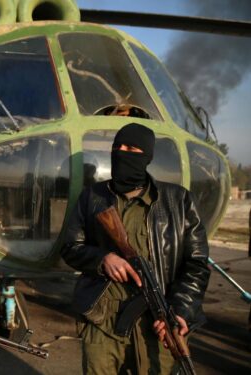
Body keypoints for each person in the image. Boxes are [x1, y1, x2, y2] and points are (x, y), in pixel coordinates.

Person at [60, 123, 209, 374]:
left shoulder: (179, 200)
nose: (121, 152)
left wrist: (182, 309)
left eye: (130, 148)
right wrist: (102, 258)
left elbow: (197, 263)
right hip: (102, 320)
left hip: (158, 323)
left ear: (146, 156)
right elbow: (70, 247)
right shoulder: (93, 197)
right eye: (117, 147)